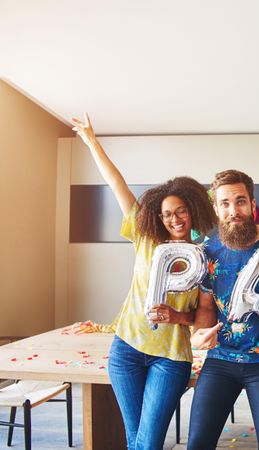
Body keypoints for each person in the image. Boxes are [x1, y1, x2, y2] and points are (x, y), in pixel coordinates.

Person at [70, 113, 217, 449]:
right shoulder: (146, 239)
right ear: (157, 217)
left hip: (170, 358)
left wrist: (176, 317)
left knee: (146, 443)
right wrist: (92, 141)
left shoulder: (206, 258)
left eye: (180, 210)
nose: (174, 218)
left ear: (192, 209)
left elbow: (204, 318)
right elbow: (117, 185)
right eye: (167, 214)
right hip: (126, 350)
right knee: (135, 439)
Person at [187, 169, 259, 450]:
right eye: (225, 203)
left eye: (239, 201)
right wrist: (200, 332)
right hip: (221, 359)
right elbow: (205, 306)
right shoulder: (207, 251)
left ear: (252, 203)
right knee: (197, 444)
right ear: (216, 208)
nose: (233, 210)